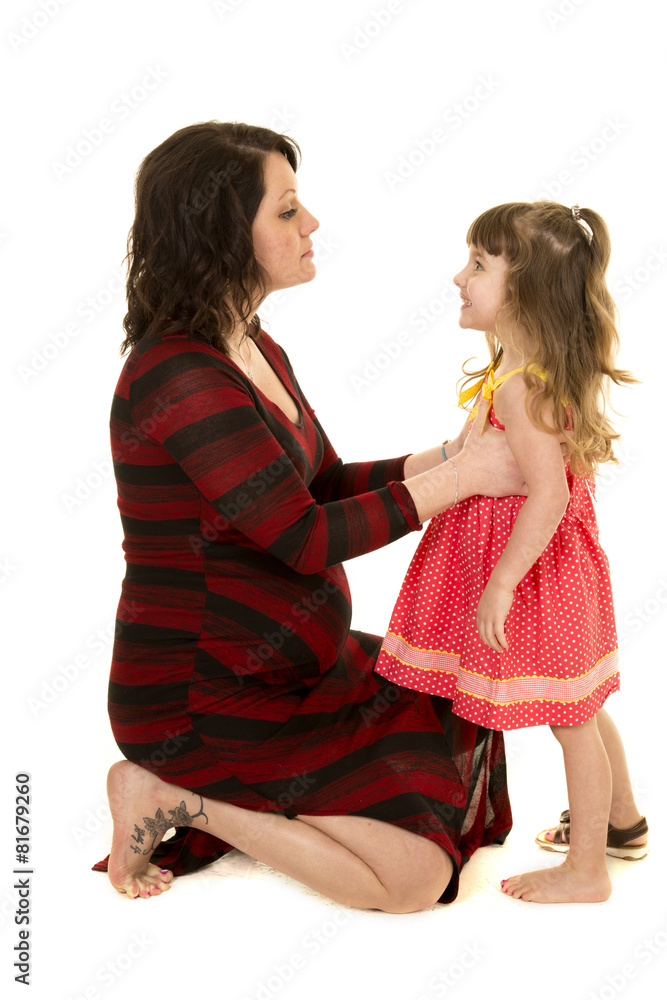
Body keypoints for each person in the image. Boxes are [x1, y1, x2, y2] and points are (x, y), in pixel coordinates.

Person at [94, 122, 528, 913]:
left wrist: (445, 456)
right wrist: (464, 479)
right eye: (287, 209)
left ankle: (213, 793)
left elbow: (319, 483)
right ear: (225, 232)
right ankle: (171, 793)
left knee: (456, 711)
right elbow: (303, 539)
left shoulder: (249, 343)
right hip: (203, 698)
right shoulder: (177, 376)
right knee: (412, 882)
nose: (312, 224)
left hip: (294, 674)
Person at [374, 201, 648, 904]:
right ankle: (619, 825)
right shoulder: (517, 372)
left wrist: (498, 585)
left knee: (570, 715)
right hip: (545, 570)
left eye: (477, 264)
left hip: (537, 575)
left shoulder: (525, 389)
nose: (458, 277)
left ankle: (587, 871)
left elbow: (547, 497)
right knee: (577, 704)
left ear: (522, 290)